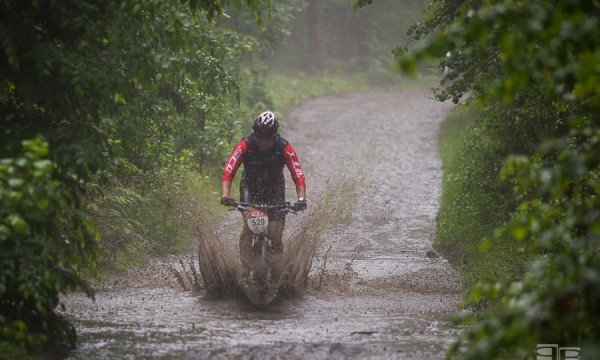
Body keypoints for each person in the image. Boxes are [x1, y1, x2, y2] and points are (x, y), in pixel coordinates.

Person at [220, 110, 307, 274]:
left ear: (274, 135)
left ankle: (278, 272)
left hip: (275, 190)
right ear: (254, 133)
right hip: (250, 190)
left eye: (267, 138)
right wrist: (225, 195)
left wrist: (301, 199)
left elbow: (298, 175)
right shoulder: (245, 145)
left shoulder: (284, 147)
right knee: (249, 228)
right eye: (259, 137)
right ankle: (246, 268)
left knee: (275, 234)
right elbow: (228, 171)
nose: (263, 142)